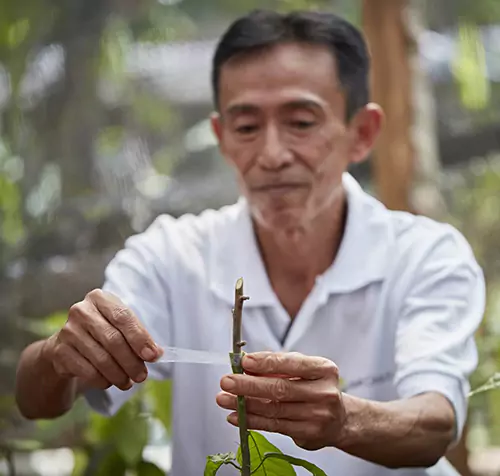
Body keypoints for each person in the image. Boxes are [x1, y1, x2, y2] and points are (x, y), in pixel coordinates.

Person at [15, 9, 485, 476]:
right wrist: (58, 356)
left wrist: (345, 419)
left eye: (301, 122)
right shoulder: (171, 257)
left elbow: (435, 423)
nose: (272, 155)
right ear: (221, 137)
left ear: (361, 134)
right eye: (246, 127)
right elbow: (37, 399)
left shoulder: (425, 255)